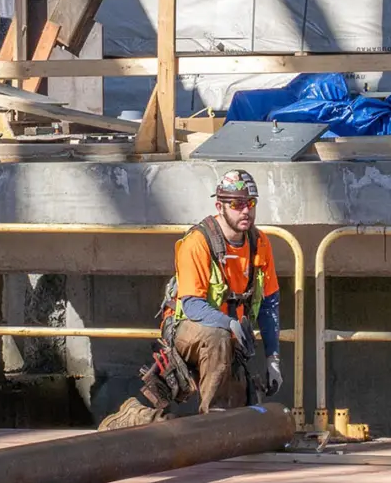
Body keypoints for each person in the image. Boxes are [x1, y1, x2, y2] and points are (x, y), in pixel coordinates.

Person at [99, 169, 282, 429]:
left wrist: (273, 359)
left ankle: (136, 416)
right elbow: (193, 305)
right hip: (188, 328)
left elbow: (270, 303)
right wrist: (229, 324)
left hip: (230, 338)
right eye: (236, 204)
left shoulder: (259, 243)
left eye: (250, 203)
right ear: (219, 206)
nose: (245, 211)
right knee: (216, 338)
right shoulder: (198, 242)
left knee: (243, 417)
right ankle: (212, 425)